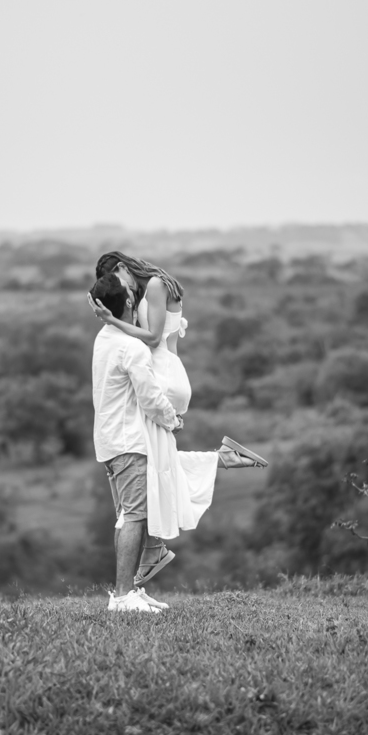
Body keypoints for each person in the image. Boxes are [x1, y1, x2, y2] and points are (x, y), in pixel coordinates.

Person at [89, 251, 267, 593]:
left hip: (165, 376)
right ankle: (220, 460)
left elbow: (153, 339)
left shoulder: (154, 285)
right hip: (164, 373)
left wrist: (110, 320)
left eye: (115, 276)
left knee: (148, 466)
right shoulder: (145, 290)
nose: (119, 286)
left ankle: (153, 551)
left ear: (124, 267)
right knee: (155, 464)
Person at [89, 271, 182, 613]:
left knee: (126, 515)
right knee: (135, 517)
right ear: (128, 302)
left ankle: (129, 591)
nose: (138, 292)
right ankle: (124, 595)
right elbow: (150, 397)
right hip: (128, 441)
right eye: (132, 291)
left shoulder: (105, 337)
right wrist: (172, 419)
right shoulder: (132, 347)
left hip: (109, 440)